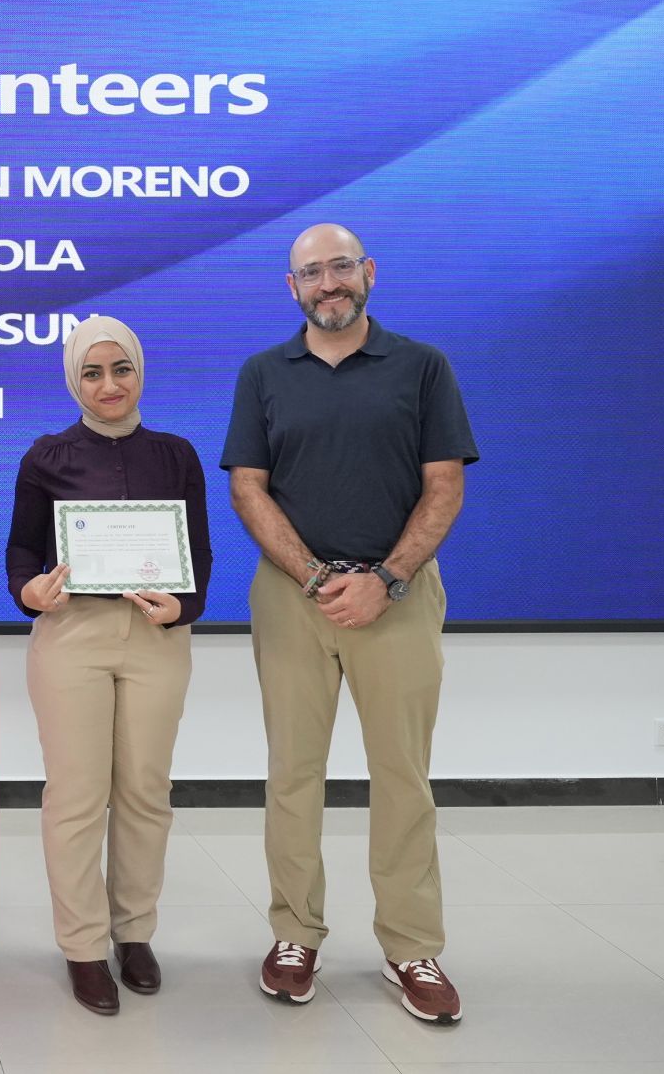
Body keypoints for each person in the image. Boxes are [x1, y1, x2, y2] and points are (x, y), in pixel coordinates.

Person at [221, 223, 477, 1026]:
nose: (327, 283)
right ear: (290, 287)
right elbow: (248, 487)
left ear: (368, 272)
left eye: (340, 267)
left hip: (396, 598)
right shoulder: (263, 372)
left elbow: (444, 485)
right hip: (291, 598)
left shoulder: (422, 366)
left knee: (403, 775)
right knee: (292, 774)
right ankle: (294, 934)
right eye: (311, 272)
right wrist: (316, 576)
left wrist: (386, 580)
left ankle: (411, 945)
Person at [6, 316, 211, 1017]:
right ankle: (84, 945)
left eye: (120, 368)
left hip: (156, 636)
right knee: (75, 795)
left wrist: (182, 605)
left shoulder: (177, 455)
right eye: (92, 372)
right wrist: (30, 591)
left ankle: (134, 933)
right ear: (73, 380)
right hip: (73, 636)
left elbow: (199, 555)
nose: (109, 384)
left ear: (139, 370)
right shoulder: (46, 454)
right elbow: (22, 553)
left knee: (146, 791)